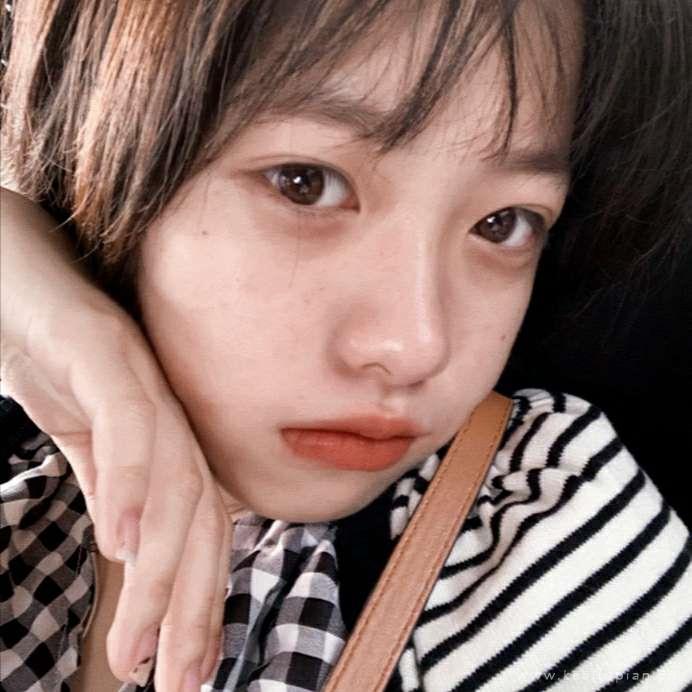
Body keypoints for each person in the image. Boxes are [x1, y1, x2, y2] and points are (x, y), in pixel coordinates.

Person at [1, 1, 691, 691]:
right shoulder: (29, 436)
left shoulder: (540, 545)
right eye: (305, 184)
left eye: (503, 223)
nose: (416, 346)